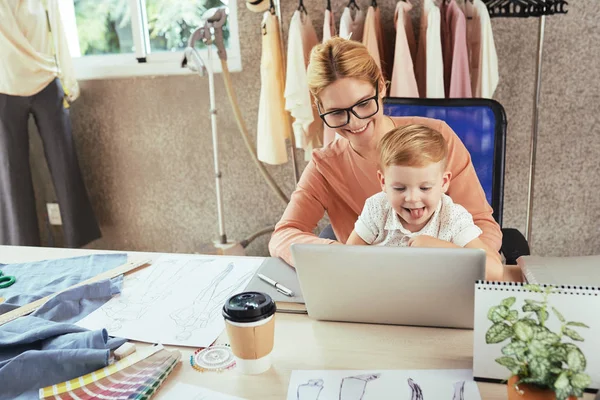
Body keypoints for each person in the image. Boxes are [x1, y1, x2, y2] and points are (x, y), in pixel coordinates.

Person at [268, 37, 502, 273]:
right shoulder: (324, 166)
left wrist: (450, 259)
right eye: (337, 112)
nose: (355, 121)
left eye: (363, 104)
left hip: (443, 276)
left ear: (380, 86)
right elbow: (283, 235)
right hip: (369, 285)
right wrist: (339, 254)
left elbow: (483, 225)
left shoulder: (437, 137)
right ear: (320, 107)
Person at [346, 124, 503, 280]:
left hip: (437, 299)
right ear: (383, 182)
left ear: (443, 182)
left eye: (425, 188)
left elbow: (494, 271)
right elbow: (345, 260)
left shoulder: (452, 218)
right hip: (381, 295)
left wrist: (442, 249)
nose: (412, 198)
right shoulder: (377, 208)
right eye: (400, 188)